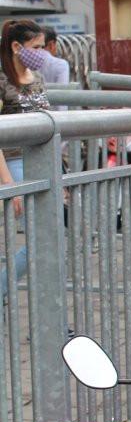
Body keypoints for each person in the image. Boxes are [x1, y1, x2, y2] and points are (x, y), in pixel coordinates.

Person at [0, 20, 51, 299]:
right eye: (36, 47)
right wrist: (10, 185)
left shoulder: (38, 78)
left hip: (43, 162)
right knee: (38, 240)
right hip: (14, 162)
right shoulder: (1, 80)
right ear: (16, 47)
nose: (41, 53)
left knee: (49, 238)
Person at [39, 27, 70, 111]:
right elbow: (62, 95)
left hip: (34, 116)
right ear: (51, 44)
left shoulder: (27, 60)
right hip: (54, 117)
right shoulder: (61, 64)